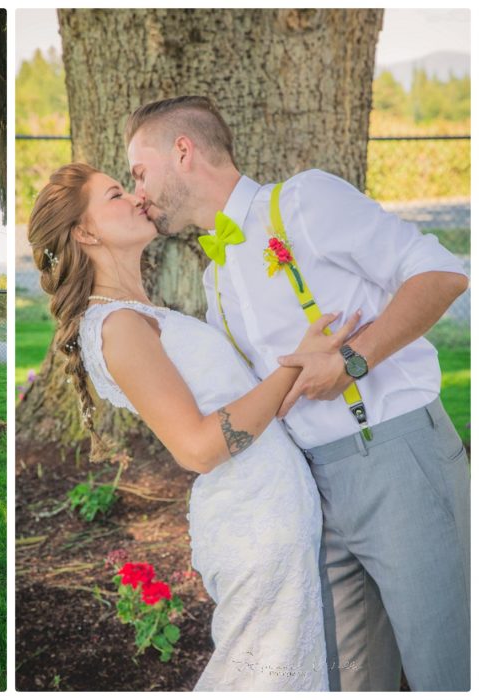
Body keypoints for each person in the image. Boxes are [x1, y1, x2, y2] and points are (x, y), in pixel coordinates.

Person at [125, 95, 470, 691]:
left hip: (395, 461)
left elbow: (440, 273)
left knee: (450, 668)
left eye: (139, 172)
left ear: (182, 151)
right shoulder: (217, 277)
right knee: (353, 682)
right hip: (312, 497)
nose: (137, 193)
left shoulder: (304, 201)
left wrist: (350, 359)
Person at [28, 162, 362, 690]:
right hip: (255, 523)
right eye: (116, 194)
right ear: (86, 233)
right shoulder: (118, 326)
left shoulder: (139, 313)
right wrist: (298, 365)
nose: (137, 198)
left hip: (274, 508)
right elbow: (198, 448)